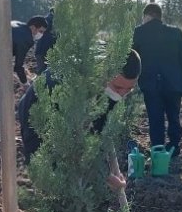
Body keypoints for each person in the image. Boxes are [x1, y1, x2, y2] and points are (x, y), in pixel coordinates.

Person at [18, 52, 141, 189]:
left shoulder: (110, 86)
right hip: (38, 114)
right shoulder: (68, 85)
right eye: (118, 88)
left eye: (129, 89)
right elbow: (75, 143)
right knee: (51, 174)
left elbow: (99, 131)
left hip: (72, 120)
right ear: (103, 73)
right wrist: (103, 175)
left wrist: (105, 171)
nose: (122, 94)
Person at [131, 3, 182, 156]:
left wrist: (131, 82)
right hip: (174, 83)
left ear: (147, 16)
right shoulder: (176, 32)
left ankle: (157, 149)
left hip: (151, 84)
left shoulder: (139, 32)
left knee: (155, 118)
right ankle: (174, 147)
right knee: (173, 116)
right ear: (159, 16)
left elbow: (132, 58)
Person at [0, 16, 49, 127]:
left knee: (0, 95)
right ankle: (3, 131)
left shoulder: (15, 24)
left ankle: (3, 128)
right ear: (33, 27)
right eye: (40, 31)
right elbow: (18, 67)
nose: (41, 35)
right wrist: (25, 84)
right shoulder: (27, 39)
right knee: (0, 97)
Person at [34, 11, 56, 75]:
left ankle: (39, 76)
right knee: (44, 70)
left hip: (40, 51)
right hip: (44, 52)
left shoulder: (45, 19)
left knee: (42, 69)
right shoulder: (51, 20)